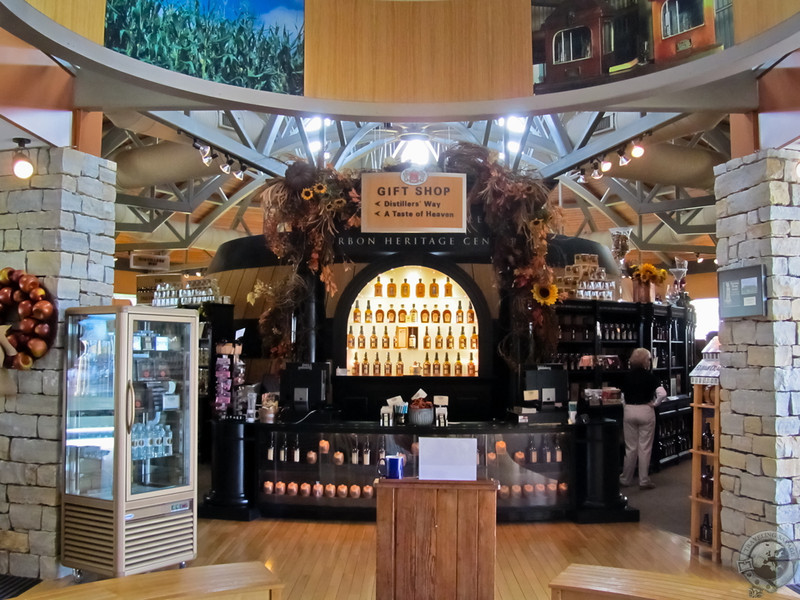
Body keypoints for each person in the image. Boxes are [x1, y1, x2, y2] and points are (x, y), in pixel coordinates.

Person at [619, 347, 667, 490]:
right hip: (645, 411)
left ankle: (625, 479)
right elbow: (662, 393)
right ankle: (643, 480)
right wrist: (655, 404)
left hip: (629, 410)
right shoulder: (651, 377)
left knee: (630, 447)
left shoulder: (626, 376)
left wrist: (626, 407)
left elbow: (621, 396)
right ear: (646, 361)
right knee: (644, 448)